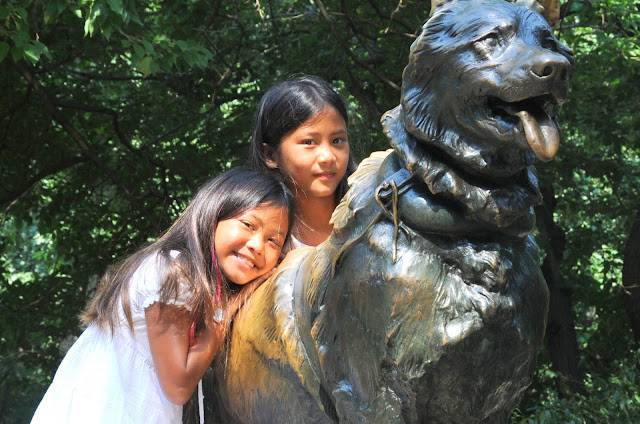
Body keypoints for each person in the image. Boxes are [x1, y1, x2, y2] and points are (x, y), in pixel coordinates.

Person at [30, 168, 295, 424]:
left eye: (273, 241)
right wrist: (227, 310)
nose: (257, 246)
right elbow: (178, 387)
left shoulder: (189, 279)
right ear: (214, 214)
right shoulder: (174, 272)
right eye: (248, 224)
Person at [250, 75, 357, 249]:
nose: (327, 157)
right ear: (271, 155)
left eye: (337, 141)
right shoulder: (257, 240)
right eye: (309, 142)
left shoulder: (376, 214)